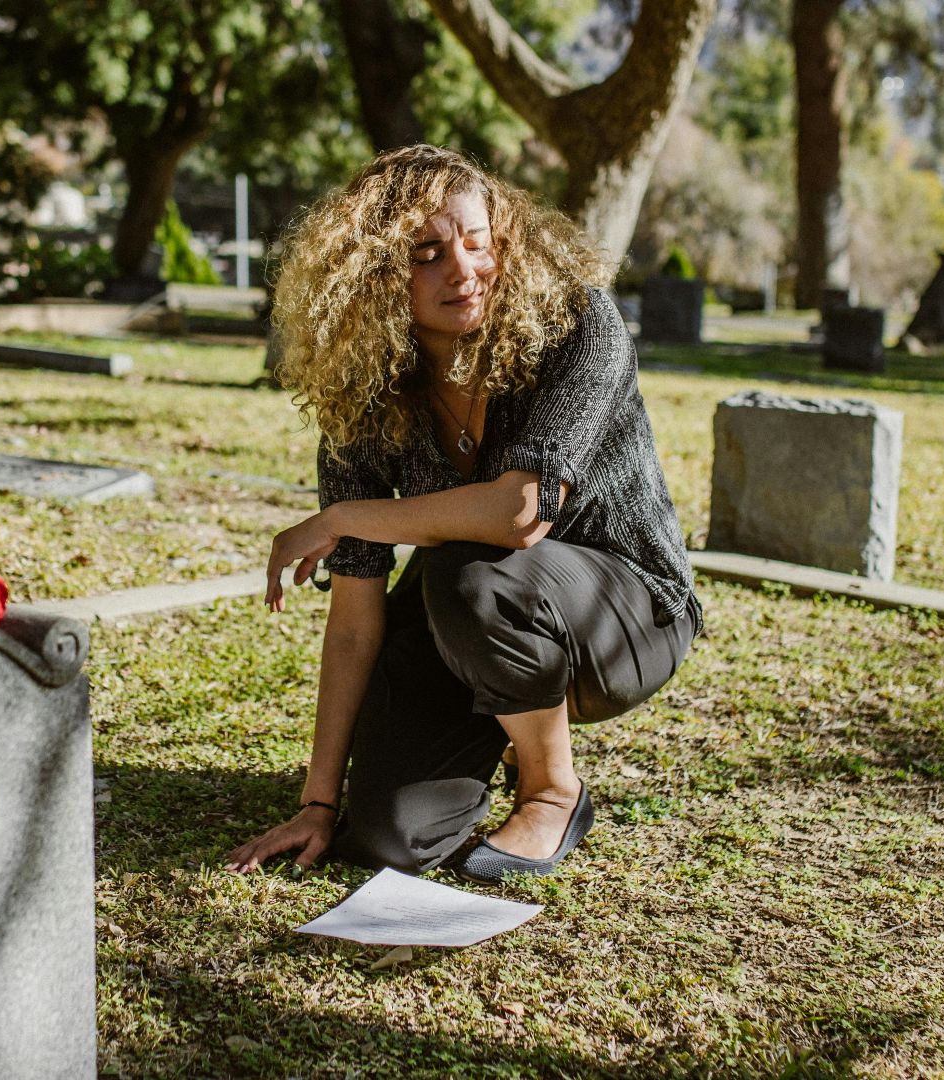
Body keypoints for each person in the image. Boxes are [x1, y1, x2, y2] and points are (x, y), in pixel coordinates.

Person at [224, 145, 700, 883]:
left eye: (479, 244)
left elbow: (520, 514)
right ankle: (498, 729)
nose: (463, 270)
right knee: (386, 837)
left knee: (470, 574)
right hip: (470, 626)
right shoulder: (368, 395)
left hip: (624, 612)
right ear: (376, 275)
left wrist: (344, 517)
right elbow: (354, 620)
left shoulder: (578, 324)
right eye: (427, 253)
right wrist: (320, 802)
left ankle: (551, 789)